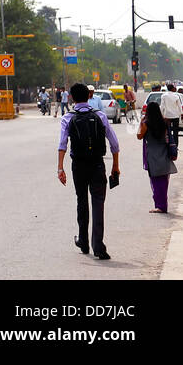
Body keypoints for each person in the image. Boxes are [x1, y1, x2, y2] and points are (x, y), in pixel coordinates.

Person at [58, 82, 120, 260]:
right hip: (97, 164)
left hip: (78, 165)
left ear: (71, 97)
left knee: (82, 201)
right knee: (98, 203)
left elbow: (62, 144)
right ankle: (98, 246)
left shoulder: (68, 118)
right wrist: (115, 166)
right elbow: (114, 144)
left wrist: (60, 168)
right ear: (89, 96)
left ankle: (83, 241)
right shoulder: (100, 116)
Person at [138, 101, 177, 213]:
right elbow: (169, 137)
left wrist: (140, 124)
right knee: (164, 180)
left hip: (152, 154)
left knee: (155, 180)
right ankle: (163, 205)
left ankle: (159, 206)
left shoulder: (146, 123)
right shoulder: (164, 122)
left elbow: (139, 136)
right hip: (164, 153)